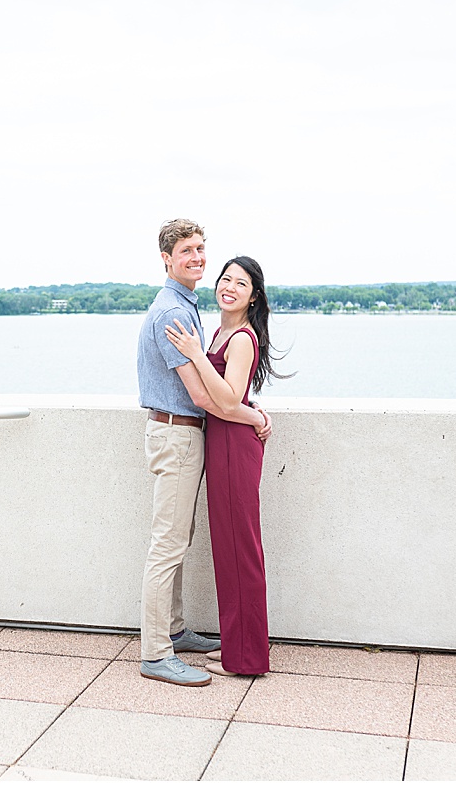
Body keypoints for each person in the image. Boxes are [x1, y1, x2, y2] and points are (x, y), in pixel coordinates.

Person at [136, 220, 271, 687]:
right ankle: (156, 653)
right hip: (177, 434)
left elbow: (221, 387)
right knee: (168, 546)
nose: (196, 258)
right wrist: (252, 415)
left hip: (192, 436)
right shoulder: (173, 313)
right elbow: (202, 395)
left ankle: (174, 631)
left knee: (179, 540)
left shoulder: (189, 309)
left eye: (200, 249)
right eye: (186, 251)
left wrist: (244, 409)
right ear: (167, 259)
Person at [165, 255, 289, 677]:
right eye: (225, 279)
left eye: (241, 283)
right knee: (227, 548)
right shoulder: (221, 332)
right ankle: (237, 646)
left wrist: (195, 355)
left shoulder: (241, 338)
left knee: (242, 550)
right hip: (222, 442)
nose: (229, 287)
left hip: (236, 446)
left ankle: (248, 659)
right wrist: (254, 411)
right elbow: (232, 397)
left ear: (253, 297)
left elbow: (228, 398)